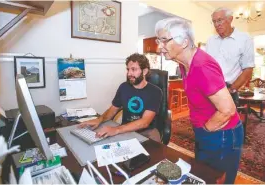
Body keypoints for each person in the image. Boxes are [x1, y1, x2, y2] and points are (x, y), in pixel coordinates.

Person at [155, 17, 243, 184]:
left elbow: (228, 110)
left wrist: (205, 130)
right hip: (209, 130)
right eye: (158, 40)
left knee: (215, 179)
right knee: (202, 175)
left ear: (184, 42)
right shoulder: (183, 63)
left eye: (164, 40)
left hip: (221, 133)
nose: (160, 46)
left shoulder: (202, 66)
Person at [78, 53, 162, 142]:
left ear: (144, 71)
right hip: (125, 129)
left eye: (133, 69)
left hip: (147, 132)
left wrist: (116, 130)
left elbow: (144, 122)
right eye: (128, 69)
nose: (129, 73)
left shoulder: (155, 91)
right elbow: (113, 109)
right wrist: (99, 120)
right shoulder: (124, 87)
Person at [206, 7, 255, 106]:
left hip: (228, 89)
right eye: (214, 21)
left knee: (229, 121)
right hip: (209, 88)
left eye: (220, 20)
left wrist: (232, 89)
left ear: (230, 19)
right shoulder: (211, 40)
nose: (216, 24)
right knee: (207, 120)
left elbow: (248, 70)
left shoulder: (244, 39)